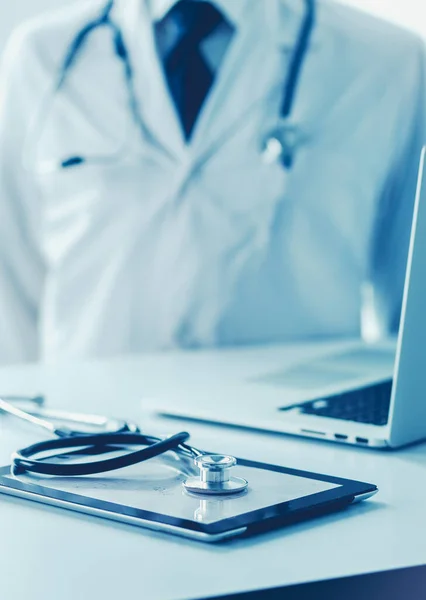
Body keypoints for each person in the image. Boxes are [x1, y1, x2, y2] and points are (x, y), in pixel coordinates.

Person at [0, 0, 425, 365]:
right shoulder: (42, 55)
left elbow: (409, 310)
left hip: (292, 433)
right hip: (85, 430)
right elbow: (12, 276)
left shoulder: (388, 64)